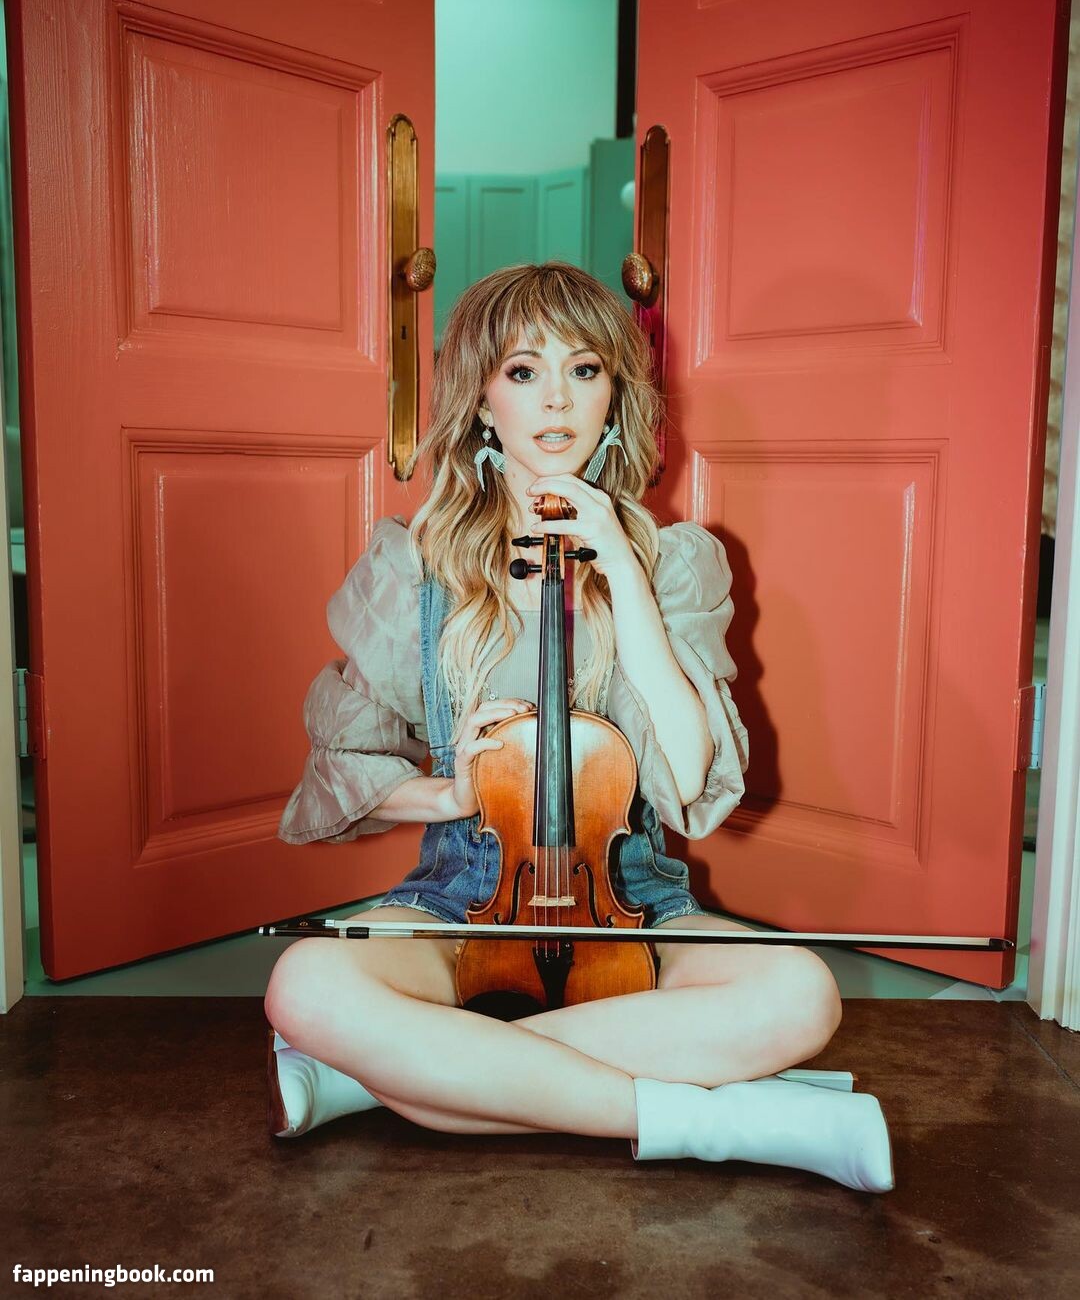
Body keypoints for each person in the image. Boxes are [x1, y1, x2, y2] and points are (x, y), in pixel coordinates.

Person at [265, 262, 894, 1193]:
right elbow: (343, 760)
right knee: (305, 983)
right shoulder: (418, 569)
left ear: (613, 398)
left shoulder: (673, 564)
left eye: (585, 369)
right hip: (463, 898)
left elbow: (689, 784)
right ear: (483, 402)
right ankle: (715, 1120)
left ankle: (395, 1076)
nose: (556, 398)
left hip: (630, 900)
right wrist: (445, 793)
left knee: (802, 994)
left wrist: (625, 578)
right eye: (523, 372)